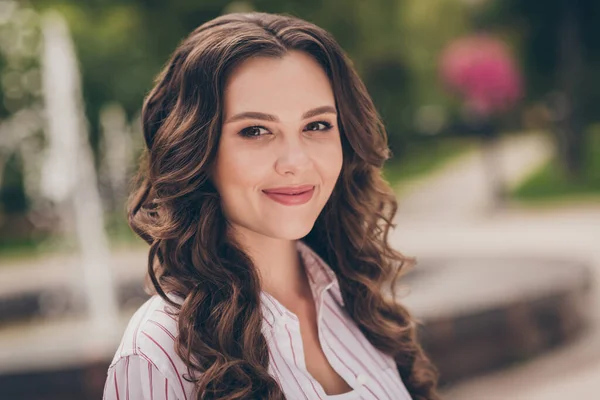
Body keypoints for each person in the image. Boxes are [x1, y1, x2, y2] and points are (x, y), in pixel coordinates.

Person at [103, 11, 439, 400]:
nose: (295, 161)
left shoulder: (356, 299)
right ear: (197, 149)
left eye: (316, 126)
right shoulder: (157, 352)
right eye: (256, 131)